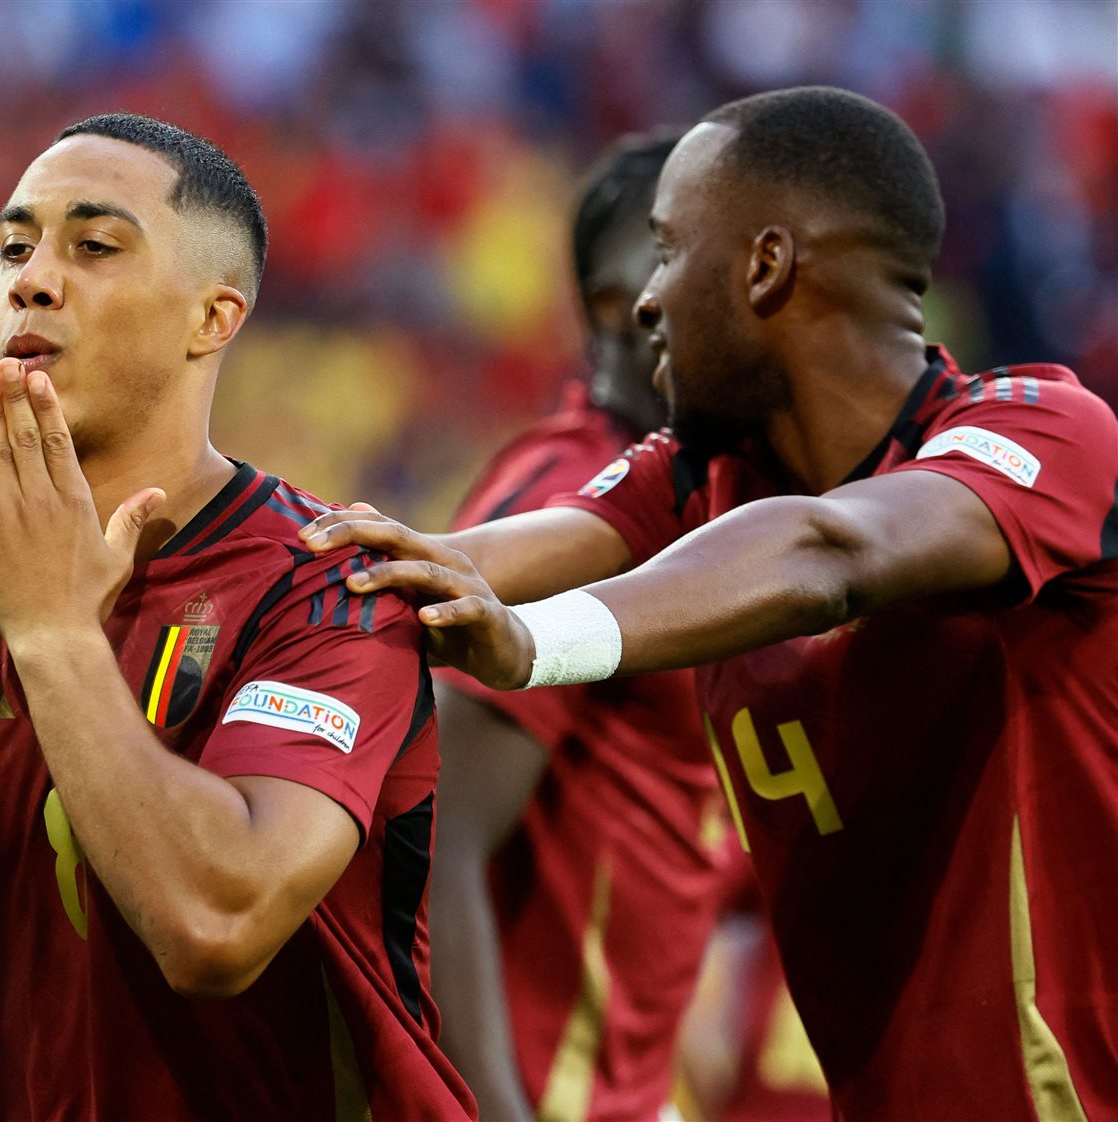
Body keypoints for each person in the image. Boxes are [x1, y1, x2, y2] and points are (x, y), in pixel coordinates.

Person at [301, 86, 1118, 1121]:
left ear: (765, 265)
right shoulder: (698, 477)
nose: (646, 300)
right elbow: (479, 559)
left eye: (669, 249)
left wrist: (530, 643)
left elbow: (833, 552)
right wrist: (264, 565)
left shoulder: (1043, 433)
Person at [0, 113, 475, 1122]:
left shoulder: (326, 586)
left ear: (212, 318)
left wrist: (50, 634)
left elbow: (217, 925)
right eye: (14, 249)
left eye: (93, 247)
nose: (32, 281)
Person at [430, 131, 735, 1122]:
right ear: (618, 306)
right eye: (686, 253)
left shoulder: (696, 500)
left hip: (621, 1090)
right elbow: (432, 829)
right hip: (536, 1094)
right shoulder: (567, 504)